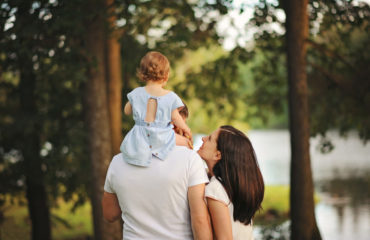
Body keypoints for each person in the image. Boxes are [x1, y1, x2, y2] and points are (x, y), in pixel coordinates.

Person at [102, 99, 212, 239]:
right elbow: (200, 221)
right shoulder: (189, 159)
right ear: (175, 126)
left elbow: (109, 214)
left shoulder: (117, 161)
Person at [120, 51, 192, 167]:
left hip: (139, 136)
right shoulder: (170, 96)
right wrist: (186, 129)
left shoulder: (136, 93)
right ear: (166, 76)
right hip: (161, 137)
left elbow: (127, 111)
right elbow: (175, 117)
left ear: (142, 73)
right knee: (186, 143)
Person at [197, 125, 265, 240]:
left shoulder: (216, 190)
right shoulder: (230, 186)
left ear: (217, 155)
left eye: (209, 139)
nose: (203, 138)